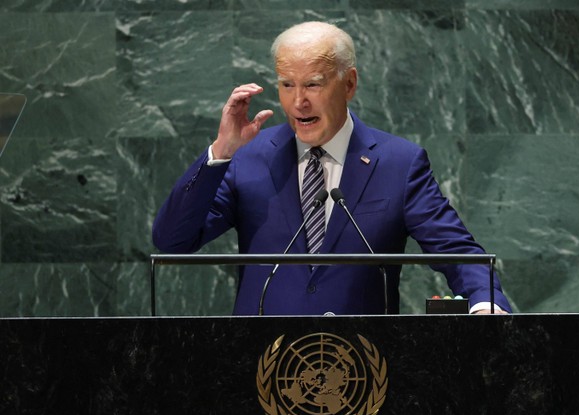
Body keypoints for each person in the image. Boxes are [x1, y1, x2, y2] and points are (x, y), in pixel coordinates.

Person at [152, 21, 511, 315]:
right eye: (286, 85)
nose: (298, 101)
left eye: (313, 84)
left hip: (364, 373)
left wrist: (486, 305)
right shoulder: (248, 157)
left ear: (349, 84)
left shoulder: (399, 163)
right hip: (261, 365)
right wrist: (222, 150)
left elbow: (457, 252)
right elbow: (172, 241)